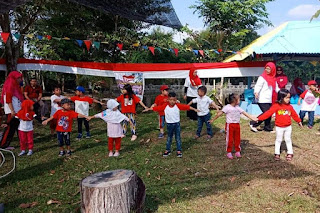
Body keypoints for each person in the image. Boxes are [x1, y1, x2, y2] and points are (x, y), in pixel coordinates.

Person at [145, 92, 199, 158]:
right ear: (168, 100)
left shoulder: (178, 105)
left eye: (174, 100)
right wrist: (149, 109)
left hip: (177, 124)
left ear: (176, 100)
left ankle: (179, 150)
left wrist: (194, 109)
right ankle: (168, 150)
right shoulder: (165, 106)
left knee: (178, 137)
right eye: (171, 100)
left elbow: (186, 107)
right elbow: (158, 108)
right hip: (169, 125)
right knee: (169, 137)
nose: (172, 102)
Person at [257, 89, 302, 161]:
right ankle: (277, 153)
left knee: (288, 139)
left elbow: (294, 114)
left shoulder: (289, 107)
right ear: (281, 97)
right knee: (278, 140)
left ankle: (290, 152)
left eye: (289, 97)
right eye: (286, 97)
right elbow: (268, 113)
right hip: (279, 127)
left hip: (288, 127)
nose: (288, 99)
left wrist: (299, 121)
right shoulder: (276, 106)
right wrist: (259, 119)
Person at [210, 94, 258, 159]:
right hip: (230, 125)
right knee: (229, 139)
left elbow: (246, 114)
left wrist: (253, 118)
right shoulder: (227, 107)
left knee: (237, 138)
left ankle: (237, 151)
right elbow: (220, 114)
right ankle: (229, 152)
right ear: (234, 101)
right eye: (238, 99)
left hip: (237, 125)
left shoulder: (238, 107)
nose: (240, 100)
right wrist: (213, 119)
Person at [249, 62, 279, 133]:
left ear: (273, 70)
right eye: (266, 68)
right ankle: (253, 123)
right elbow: (258, 86)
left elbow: (277, 89)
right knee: (266, 113)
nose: (267, 70)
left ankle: (267, 128)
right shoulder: (262, 77)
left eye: (269, 69)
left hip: (269, 99)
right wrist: (256, 92)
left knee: (269, 113)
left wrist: (284, 93)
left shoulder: (273, 79)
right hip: (262, 99)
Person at [0, 71, 24, 149]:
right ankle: (3, 144)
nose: (20, 79)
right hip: (12, 112)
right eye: (18, 78)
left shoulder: (15, 87)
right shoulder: (10, 87)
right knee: (9, 128)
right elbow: (8, 100)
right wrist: (12, 111)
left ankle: (22, 142)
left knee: (15, 127)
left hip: (17, 111)